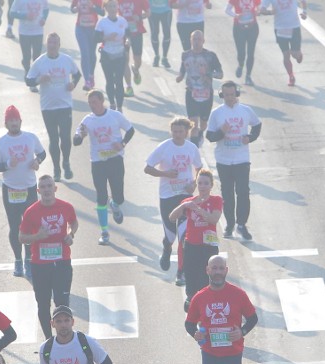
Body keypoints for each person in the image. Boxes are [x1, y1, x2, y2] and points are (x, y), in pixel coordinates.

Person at [19, 175, 79, 339]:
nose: (46, 190)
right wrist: (37, 236)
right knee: (43, 304)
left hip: (62, 263)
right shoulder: (31, 212)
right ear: (38, 190)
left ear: (55, 189)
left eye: (49, 186)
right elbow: (22, 237)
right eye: (43, 187)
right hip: (40, 265)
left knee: (62, 303)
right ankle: (49, 340)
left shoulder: (66, 207)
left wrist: (70, 233)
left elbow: (73, 222)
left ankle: (65, 338)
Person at [73, 89, 135, 245]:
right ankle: (104, 231)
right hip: (98, 162)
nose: (92, 105)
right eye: (90, 103)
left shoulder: (115, 116)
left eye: (94, 102)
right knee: (101, 197)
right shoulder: (88, 120)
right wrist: (80, 136)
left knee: (118, 196)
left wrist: (122, 143)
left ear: (102, 101)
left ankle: (114, 205)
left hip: (115, 160)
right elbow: (76, 139)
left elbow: (130, 130)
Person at [144, 116, 202, 281]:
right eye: (174, 131)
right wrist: (165, 174)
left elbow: (199, 168)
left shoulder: (191, 148)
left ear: (186, 132)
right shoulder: (164, 147)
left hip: (185, 195)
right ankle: (167, 249)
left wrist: (194, 184)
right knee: (170, 236)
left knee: (184, 236)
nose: (177, 134)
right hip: (167, 195)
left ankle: (181, 272)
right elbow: (147, 168)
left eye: (180, 131)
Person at [0, 105, 47, 278]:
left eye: (16, 120)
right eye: (11, 121)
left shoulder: (30, 138)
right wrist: (8, 164)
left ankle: (29, 260)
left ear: (20, 121)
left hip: (29, 188)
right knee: (15, 226)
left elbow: (42, 153)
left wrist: (37, 160)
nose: (14, 123)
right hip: (10, 189)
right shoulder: (0, 143)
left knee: (29, 226)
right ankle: (17, 260)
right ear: (6, 124)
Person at [205, 80, 261, 240]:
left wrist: (250, 137)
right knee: (227, 194)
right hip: (223, 159)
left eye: (232, 94)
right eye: (226, 95)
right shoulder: (217, 113)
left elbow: (257, 125)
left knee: (243, 192)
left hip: (242, 159)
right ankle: (230, 224)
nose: (229, 98)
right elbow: (210, 136)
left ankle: (242, 224)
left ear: (236, 94)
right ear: (222, 95)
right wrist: (222, 132)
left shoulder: (245, 111)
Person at [25, 33, 82, 182]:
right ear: (47, 44)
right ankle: (56, 169)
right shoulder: (40, 62)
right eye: (50, 43)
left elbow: (77, 75)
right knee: (53, 138)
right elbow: (28, 80)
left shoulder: (66, 60)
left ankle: (66, 163)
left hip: (64, 104)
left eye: (55, 43)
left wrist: (73, 84)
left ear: (59, 45)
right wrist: (39, 79)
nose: (52, 45)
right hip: (48, 106)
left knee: (65, 137)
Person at [169, 169, 221, 312]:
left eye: (206, 183)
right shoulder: (188, 201)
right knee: (191, 277)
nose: (202, 186)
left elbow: (213, 219)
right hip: (192, 246)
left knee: (207, 279)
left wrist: (197, 209)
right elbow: (172, 217)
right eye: (200, 183)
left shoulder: (216, 200)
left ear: (211, 185)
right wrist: (184, 206)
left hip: (209, 246)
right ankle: (192, 302)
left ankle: (207, 307)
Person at [175, 29, 222, 148]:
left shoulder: (210, 56)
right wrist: (180, 76)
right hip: (191, 92)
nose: (196, 42)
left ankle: (200, 133)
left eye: (199, 39)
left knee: (203, 123)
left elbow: (220, 74)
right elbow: (183, 68)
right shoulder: (185, 54)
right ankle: (194, 147)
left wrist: (208, 74)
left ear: (203, 41)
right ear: (190, 40)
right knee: (193, 123)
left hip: (206, 93)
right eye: (194, 39)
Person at [259, 0, 307, 86]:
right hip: (280, 29)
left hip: (294, 27)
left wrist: (304, 12)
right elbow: (262, 10)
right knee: (286, 55)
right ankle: (291, 76)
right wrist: (270, 12)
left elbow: (303, 1)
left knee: (294, 54)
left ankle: (298, 54)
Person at [95, 0, 130, 113]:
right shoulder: (102, 23)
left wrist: (128, 41)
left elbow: (128, 34)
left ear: (117, 7)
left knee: (119, 81)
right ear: (106, 8)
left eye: (114, 6)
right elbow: (95, 38)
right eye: (110, 6)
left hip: (120, 54)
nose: (112, 8)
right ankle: (112, 103)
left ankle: (119, 106)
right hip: (107, 54)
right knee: (110, 80)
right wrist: (107, 38)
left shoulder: (122, 20)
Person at [11, 0, 49, 91]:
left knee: (37, 57)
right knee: (26, 56)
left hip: (38, 31)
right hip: (24, 32)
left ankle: (33, 81)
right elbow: (12, 13)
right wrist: (25, 16)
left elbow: (46, 9)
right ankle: (27, 70)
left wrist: (44, 18)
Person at [71, 0, 105, 91]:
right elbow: (72, 8)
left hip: (93, 29)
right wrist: (76, 9)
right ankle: (87, 81)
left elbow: (102, 12)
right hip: (80, 28)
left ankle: (91, 75)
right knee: (84, 54)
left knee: (91, 54)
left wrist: (92, 6)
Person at [118, 0, 149, 98]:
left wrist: (140, 17)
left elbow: (148, 12)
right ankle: (129, 87)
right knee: (124, 60)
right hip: (122, 33)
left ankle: (135, 69)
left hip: (136, 32)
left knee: (138, 60)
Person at [226, 0, 260, 86]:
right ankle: (240, 65)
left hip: (252, 27)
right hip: (239, 28)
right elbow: (227, 10)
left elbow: (260, 6)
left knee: (251, 53)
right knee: (241, 52)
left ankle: (248, 76)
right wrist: (236, 15)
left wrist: (257, 11)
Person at [148, 0, 172, 68]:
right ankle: (156, 56)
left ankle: (164, 57)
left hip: (166, 10)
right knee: (154, 33)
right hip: (152, 11)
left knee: (167, 33)